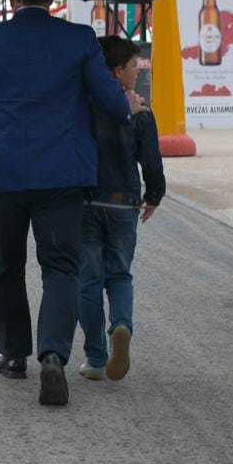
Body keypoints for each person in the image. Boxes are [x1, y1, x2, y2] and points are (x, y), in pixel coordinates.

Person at [0, 0, 146, 406]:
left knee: (6, 264)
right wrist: (128, 106)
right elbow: (108, 98)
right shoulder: (79, 39)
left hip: (3, 173)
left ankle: (13, 354)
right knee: (61, 267)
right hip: (62, 174)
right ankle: (53, 356)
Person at [77, 35, 165, 383]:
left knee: (88, 280)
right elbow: (152, 162)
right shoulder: (140, 112)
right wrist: (154, 195)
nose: (137, 71)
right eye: (133, 66)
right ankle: (122, 326)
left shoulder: (83, 107)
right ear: (117, 72)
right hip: (124, 204)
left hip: (86, 202)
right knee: (120, 275)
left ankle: (96, 358)